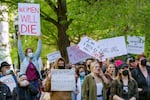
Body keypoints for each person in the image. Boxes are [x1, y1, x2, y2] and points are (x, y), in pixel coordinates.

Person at [17, 32, 42, 99]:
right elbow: (20, 50)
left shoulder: (35, 59)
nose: (31, 53)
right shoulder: (24, 59)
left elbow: (39, 49)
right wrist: (19, 37)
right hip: (27, 82)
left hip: (35, 82)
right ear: (26, 53)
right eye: (29, 52)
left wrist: (40, 38)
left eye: (31, 51)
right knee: (28, 97)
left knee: (35, 97)